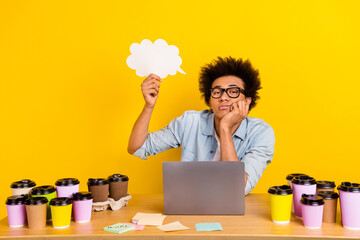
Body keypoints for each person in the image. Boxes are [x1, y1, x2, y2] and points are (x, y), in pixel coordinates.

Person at [128, 56, 275, 195]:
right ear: (210, 102)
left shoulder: (261, 133)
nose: (223, 97)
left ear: (247, 101)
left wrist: (225, 129)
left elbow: (236, 187)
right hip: (189, 207)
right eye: (217, 92)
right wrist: (149, 106)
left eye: (233, 91)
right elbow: (137, 147)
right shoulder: (189, 122)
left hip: (233, 214)